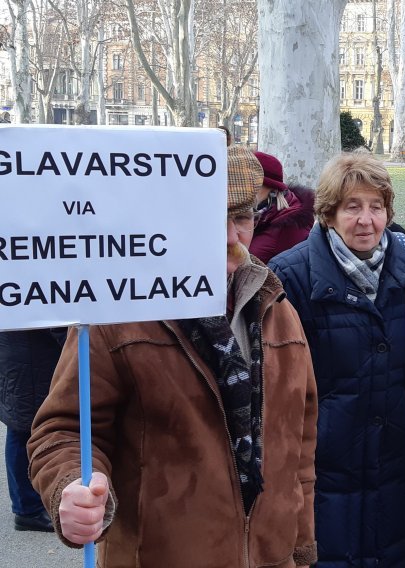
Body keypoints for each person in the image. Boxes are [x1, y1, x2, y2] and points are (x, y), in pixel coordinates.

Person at [27, 145, 318, 568]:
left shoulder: (277, 309)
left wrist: (300, 549)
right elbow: (64, 429)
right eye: (207, 220)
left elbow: (300, 448)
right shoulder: (117, 312)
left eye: (241, 218)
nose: (229, 238)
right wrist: (71, 487)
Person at [268, 150, 405, 568]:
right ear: (328, 213)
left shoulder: (403, 259)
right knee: (331, 548)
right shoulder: (291, 273)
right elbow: (279, 369)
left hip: (390, 440)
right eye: (353, 207)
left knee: (389, 545)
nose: (366, 220)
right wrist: (309, 426)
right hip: (325, 450)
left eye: (376, 207)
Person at [0, 329, 65, 532]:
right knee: (24, 430)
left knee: (23, 427)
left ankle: (29, 505)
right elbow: (53, 315)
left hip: (23, 353)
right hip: (28, 358)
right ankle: (27, 509)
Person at [249, 151, 315, 264]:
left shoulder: (291, 226)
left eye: (252, 184)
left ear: (273, 190)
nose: (245, 190)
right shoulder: (257, 216)